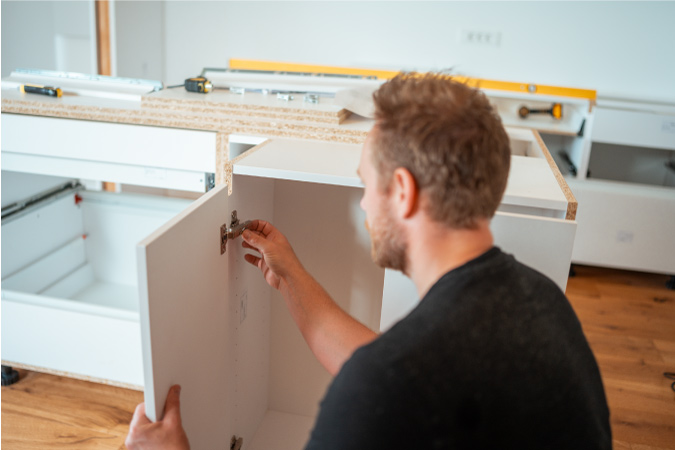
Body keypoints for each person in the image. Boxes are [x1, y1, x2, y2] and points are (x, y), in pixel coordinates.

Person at [127, 73, 611, 449]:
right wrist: (291, 276)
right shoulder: (542, 300)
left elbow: (383, 379)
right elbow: (382, 367)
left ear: (401, 191)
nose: (363, 205)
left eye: (367, 185)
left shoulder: (384, 390)